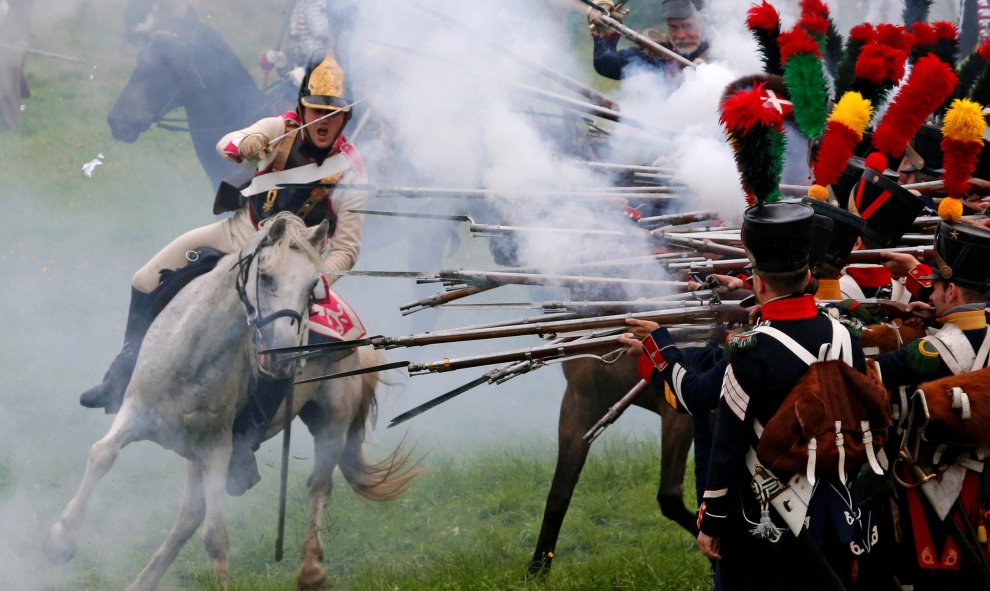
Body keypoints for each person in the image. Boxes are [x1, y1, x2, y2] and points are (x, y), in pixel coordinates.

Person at [79, 52, 368, 490]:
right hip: (237, 235)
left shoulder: (352, 173)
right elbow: (230, 145)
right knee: (145, 278)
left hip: (289, 267)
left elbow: (345, 248)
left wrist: (310, 280)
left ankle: (242, 440)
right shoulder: (278, 129)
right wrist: (247, 145)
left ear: (344, 118)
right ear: (303, 108)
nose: (323, 121)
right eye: (316, 111)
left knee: (284, 355)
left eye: (333, 114)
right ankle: (122, 373)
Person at [621, 201, 870, 591]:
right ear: (808, 276)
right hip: (832, 511)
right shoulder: (845, 335)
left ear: (758, 282)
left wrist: (657, 347)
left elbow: (700, 404)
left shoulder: (752, 350)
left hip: (762, 520)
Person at [871, 220, 990, 590]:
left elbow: (870, 374)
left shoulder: (932, 351)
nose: (932, 294)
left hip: (945, 484)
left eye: (936, 287)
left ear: (952, 291)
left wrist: (858, 317)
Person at [588, 0, 708, 80]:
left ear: (703, 23)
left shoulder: (721, 49)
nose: (681, 35)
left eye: (688, 26)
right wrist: (606, 32)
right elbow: (607, 66)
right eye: (673, 27)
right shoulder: (655, 52)